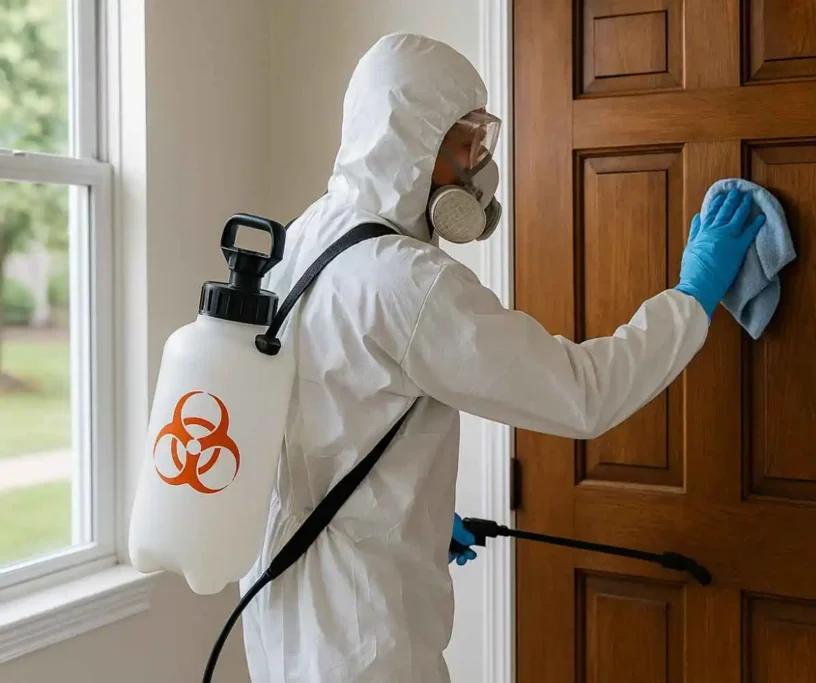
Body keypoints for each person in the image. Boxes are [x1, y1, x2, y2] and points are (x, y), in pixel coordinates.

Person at [239, 33, 763, 683]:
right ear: (415, 142)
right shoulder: (407, 279)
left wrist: (415, 511)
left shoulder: (299, 237)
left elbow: (324, 413)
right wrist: (691, 296)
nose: (479, 163)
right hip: (364, 638)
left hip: (278, 606)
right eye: (467, 142)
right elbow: (582, 393)